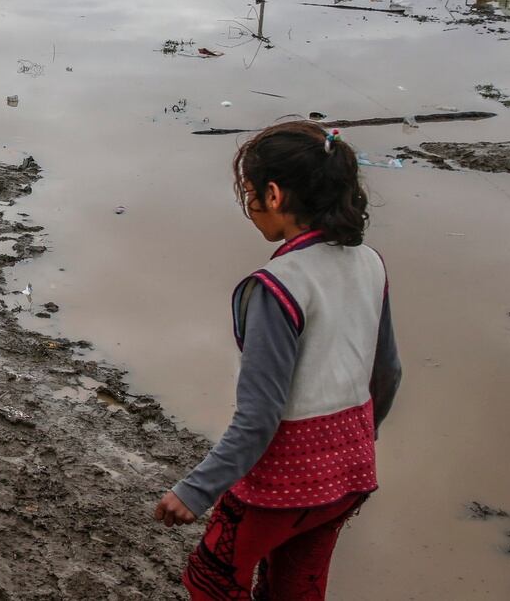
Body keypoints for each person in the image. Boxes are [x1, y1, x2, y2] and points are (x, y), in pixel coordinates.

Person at [154, 121, 402, 600]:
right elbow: (388, 372)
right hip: (351, 471)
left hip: (283, 484)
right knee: (297, 587)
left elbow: (260, 415)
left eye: (249, 194)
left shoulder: (275, 286)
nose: (249, 206)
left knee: (210, 581)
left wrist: (196, 489)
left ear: (273, 195)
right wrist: (356, 439)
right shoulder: (370, 262)